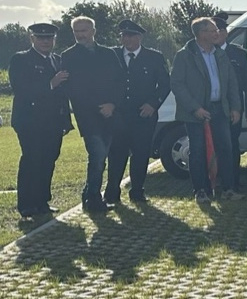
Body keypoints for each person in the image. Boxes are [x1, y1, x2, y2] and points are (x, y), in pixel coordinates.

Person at [171, 17, 244, 204]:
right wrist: (195, 108)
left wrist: (235, 107)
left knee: (226, 149)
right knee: (198, 151)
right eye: (212, 30)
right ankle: (201, 191)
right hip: (196, 112)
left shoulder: (220, 54)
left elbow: (232, 83)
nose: (217, 33)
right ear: (201, 34)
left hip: (220, 109)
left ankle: (228, 188)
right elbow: (177, 85)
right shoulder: (185, 55)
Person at [61, 16, 125, 214]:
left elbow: (120, 81)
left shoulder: (108, 53)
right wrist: (99, 107)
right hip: (88, 116)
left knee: (102, 156)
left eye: (84, 30)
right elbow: (72, 88)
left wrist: (112, 104)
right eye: (77, 31)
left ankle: (88, 194)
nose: (80, 35)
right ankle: (94, 200)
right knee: (97, 156)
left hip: (110, 114)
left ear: (93, 31)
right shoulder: (68, 56)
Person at [10, 23, 72, 218]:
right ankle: (27, 204)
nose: (45, 41)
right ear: (32, 39)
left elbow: (64, 95)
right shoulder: (21, 59)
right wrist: (49, 84)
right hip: (30, 121)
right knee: (32, 160)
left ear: (54, 40)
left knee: (48, 160)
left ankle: (42, 201)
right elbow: (21, 89)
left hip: (53, 122)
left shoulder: (58, 60)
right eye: (40, 37)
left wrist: (66, 121)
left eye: (49, 38)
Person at [105, 19, 170, 206]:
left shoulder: (154, 57)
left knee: (141, 154)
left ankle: (138, 191)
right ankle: (112, 192)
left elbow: (165, 84)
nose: (127, 39)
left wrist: (153, 104)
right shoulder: (113, 55)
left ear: (140, 37)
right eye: (124, 35)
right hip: (119, 114)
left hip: (144, 114)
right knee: (116, 154)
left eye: (131, 35)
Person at [212, 13, 247, 188]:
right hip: (211, 106)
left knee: (232, 144)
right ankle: (215, 179)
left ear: (226, 33)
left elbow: (246, 81)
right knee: (212, 144)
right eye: (213, 31)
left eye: (219, 31)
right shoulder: (205, 52)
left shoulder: (238, 53)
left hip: (233, 107)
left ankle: (233, 180)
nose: (216, 34)